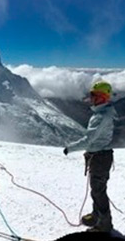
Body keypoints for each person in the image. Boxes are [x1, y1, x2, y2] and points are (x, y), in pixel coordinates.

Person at [63, 80, 117, 233]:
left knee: (98, 191)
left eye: (94, 95)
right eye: (91, 95)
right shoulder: (104, 112)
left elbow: (88, 140)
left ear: (102, 98)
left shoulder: (101, 116)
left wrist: (70, 148)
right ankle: (96, 215)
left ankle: (104, 225)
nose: (91, 98)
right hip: (101, 157)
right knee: (97, 189)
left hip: (99, 157)